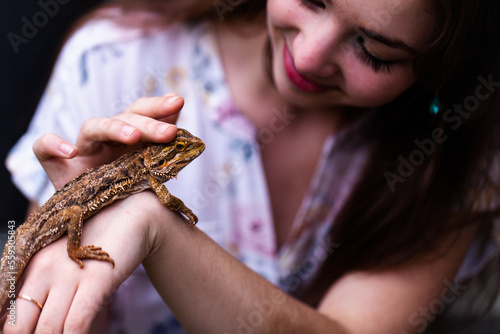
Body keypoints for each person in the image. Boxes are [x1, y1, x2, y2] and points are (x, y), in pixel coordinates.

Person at [3, 0, 500, 332]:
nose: (308, 57)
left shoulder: (452, 160)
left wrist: (156, 224)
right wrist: (84, 231)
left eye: (375, 52)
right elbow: (39, 305)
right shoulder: (111, 58)